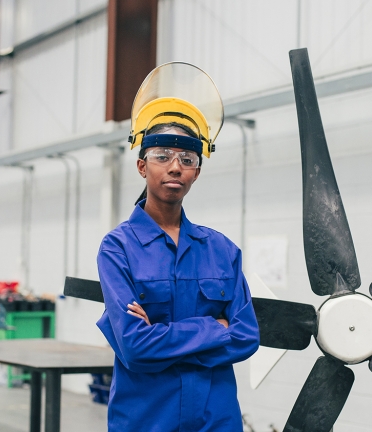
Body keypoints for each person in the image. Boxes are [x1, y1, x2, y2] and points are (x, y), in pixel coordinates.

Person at [96, 62, 260, 432]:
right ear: (142, 166)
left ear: (197, 172)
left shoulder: (222, 250)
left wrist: (164, 338)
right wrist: (214, 328)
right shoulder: (118, 249)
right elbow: (135, 348)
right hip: (146, 419)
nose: (175, 167)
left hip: (215, 420)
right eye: (162, 157)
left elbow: (247, 337)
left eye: (187, 159)